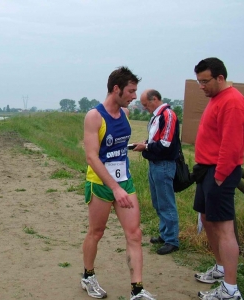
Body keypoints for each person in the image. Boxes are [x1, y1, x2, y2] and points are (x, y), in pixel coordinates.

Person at [81, 67, 156, 300]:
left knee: (134, 234)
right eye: (131, 91)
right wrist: (114, 187)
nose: (135, 96)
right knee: (97, 231)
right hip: (101, 184)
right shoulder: (95, 116)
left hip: (125, 181)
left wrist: (134, 146)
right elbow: (92, 156)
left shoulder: (123, 114)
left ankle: (137, 290)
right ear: (116, 89)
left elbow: (116, 145)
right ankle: (88, 276)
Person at [192, 58, 244, 300]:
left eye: (205, 81)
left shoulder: (233, 102)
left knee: (224, 228)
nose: (201, 86)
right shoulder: (216, 99)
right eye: (199, 82)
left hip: (219, 172)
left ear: (220, 78)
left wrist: (220, 177)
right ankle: (221, 268)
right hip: (207, 170)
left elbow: (232, 145)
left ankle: (231, 289)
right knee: (208, 219)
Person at [132, 89, 180, 255]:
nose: (145, 108)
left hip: (164, 164)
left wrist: (145, 146)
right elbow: (156, 140)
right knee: (158, 202)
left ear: (155, 99)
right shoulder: (158, 116)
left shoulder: (168, 115)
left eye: (146, 104)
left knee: (166, 202)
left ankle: (172, 240)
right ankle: (165, 233)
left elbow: (165, 143)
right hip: (155, 164)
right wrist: (146, 143)